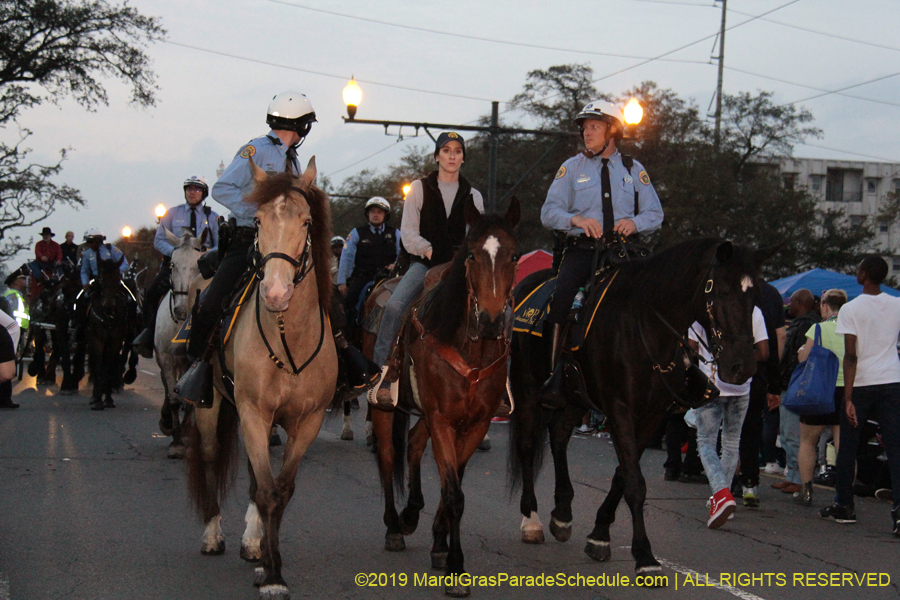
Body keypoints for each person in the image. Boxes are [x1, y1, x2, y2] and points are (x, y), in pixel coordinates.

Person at [178, 91, 375, 407]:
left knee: (331, 301)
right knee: (213, 299)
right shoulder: (255, 149)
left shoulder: (293, 158)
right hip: (249, 240)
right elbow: (221, 188)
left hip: (289, 246)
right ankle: (197, 370)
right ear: (301, 125)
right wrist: (258, 212)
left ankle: (343, 368)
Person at [538, 99, 663, 409]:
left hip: (623, 252)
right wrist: (575, 220)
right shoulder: (571, 167)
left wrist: (633, 223)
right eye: (584, 128)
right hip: (583, 251)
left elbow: (655, 213)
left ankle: (667, 372)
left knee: (657, 301)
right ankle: (553, 376)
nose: (587, 133)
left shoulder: (634, 169)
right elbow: (548, 212)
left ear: (612, 130)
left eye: (594, 127)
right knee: (561, 300)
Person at [369, 131, 484, 408]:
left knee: (495, 310)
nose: (452, 156)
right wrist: (429, 250)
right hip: (425, 263)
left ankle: (497, 385)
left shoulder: (474, 194)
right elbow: (407, 233)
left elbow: (476, 235)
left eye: (457, 151)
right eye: (446, 151)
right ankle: (382, 372)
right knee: (396, 306)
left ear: (463, 158)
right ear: (437, 157)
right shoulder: (419, 189)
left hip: (460, 267)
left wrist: (464, 258)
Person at [821, 256, 900, 534]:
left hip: (863, 383)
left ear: (864, 274)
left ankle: (844, 504)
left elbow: (851, 356)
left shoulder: (851, 308)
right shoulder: (897, 304)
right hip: (892, 380)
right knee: (895, 447)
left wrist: (849, 397)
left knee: (848, 447)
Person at [689, 307, 769, 528]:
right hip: (742, 386)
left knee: (705, 442)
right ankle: (722, 498)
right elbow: (764, 352)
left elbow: (691, 348)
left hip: (711, 384)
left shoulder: (705, 310)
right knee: (732, 443)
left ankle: (721, 494)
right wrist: (740, 360)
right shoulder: (753, 311)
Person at [132, 176, 218, 358]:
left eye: (196, 189)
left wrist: (204, 255)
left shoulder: (212, 217)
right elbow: (159, 240)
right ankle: (149, 334)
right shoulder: (172, 214)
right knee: (153, 292)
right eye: (189, 189)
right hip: (175, 266)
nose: (192, 192)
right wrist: (176, 254)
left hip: (203, 269)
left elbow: (219, 244)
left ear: (203, 193)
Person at [793, 289, 847, 506]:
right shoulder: (853, 329)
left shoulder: (817, 328)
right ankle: (844, 493)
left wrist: (799, 352)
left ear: (824, 305)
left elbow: (803, 359)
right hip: (846, 390)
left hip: (819, 390)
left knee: (808, 441)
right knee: (845, 444)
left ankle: (806, 491)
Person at [737, 279, 786, 508]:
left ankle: (723, 484)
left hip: (726, 372)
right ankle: (749, 481)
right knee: (751, 427)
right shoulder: (770, 294)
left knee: (724, 431)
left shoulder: (723, 287)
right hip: (756, 374)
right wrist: (774, 384)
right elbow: (777, 341)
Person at [771, 289, 820, 496]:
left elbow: (795, 357)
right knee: (789, 433)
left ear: (800, 302)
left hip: (792, 385)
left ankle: (798, 478)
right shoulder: (808, 323)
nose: (788, 306)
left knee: (792, 434)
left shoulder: (804, 326)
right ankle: (792, 476)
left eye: (791, 302)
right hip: (792, 384)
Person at [337, 197, 401, 327]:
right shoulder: (356, 233)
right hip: (363, 277)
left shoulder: (396, 233)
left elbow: (403, 254)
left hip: (389, 277)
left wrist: (396, 265)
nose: (376, 215)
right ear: (367, 214)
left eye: (379, 212)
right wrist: (342, 282)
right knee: (349, 301)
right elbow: (346, 258)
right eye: (373, 212)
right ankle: (349, 338)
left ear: (385, 215)